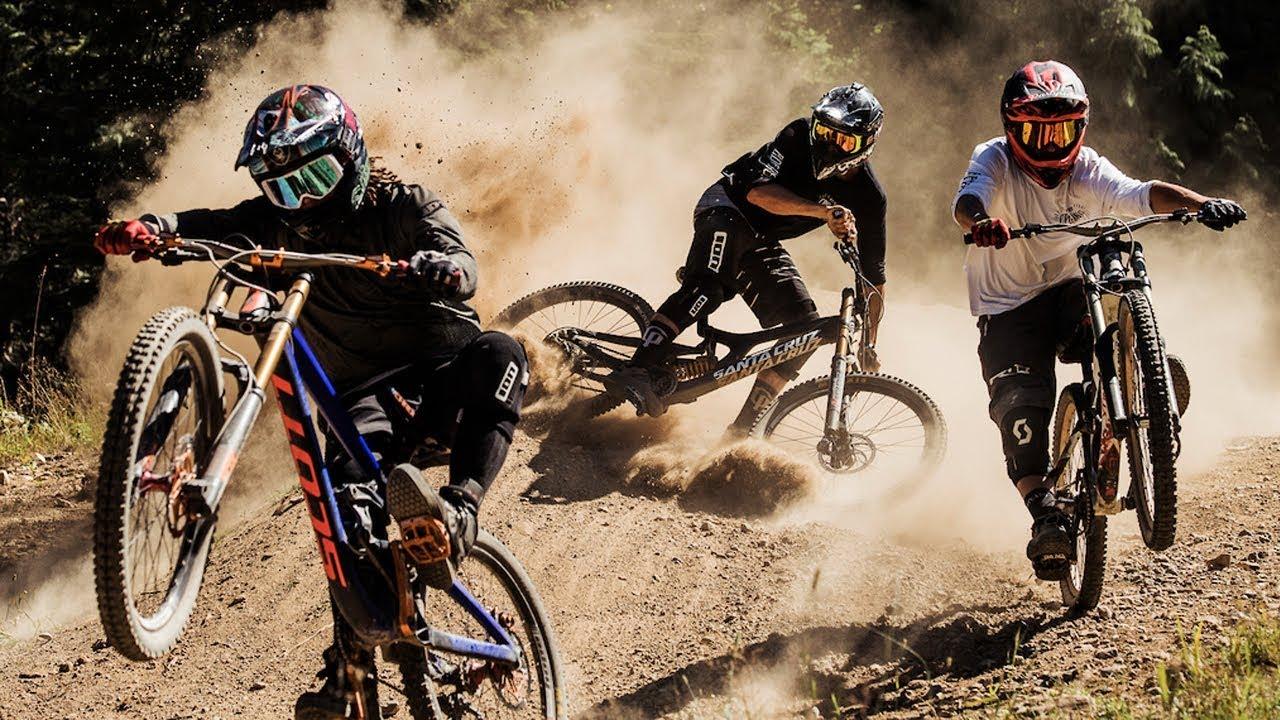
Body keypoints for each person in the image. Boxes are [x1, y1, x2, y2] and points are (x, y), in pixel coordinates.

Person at [93, 84, 528, 719]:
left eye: (316, 179)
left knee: (502, 352)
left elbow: (462, 260)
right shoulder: (270, 226)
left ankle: (459, 512)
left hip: (442, 384)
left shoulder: (403, 204)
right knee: (343, 516)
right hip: (364, 408)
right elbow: (206, 225)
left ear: (351, 159)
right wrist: (154, 230)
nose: (302, 202)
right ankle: (349, 674)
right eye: (282, 189)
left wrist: (443, 267)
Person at [952, 61, 1246, 580]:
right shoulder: (992, 158)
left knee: (1112, 275)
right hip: (1007, 304)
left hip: (1069, 291)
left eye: (1062, 131)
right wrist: (981, 223)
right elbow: (967, 200)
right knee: (1022, 414)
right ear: (1011, 129)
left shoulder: (1087, 167)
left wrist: (1202, 204)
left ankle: (1145, 380)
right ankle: (1046, 515)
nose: (1051, 146)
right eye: (1037, 133)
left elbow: (1142, 193)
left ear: (1081, 129)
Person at [615, 83, 889, 437]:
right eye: (824, 131)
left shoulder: (869, 197)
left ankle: (740, 432)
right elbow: (758, 194)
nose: (829, 145)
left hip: (761, 239)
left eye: (843, 140)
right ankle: (639, 367)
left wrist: (869, 343)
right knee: (709, 288)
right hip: (727, 207)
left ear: (866, 143)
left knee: (804, 332)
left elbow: (874, 278)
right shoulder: (797, 135)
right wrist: (822, 212)